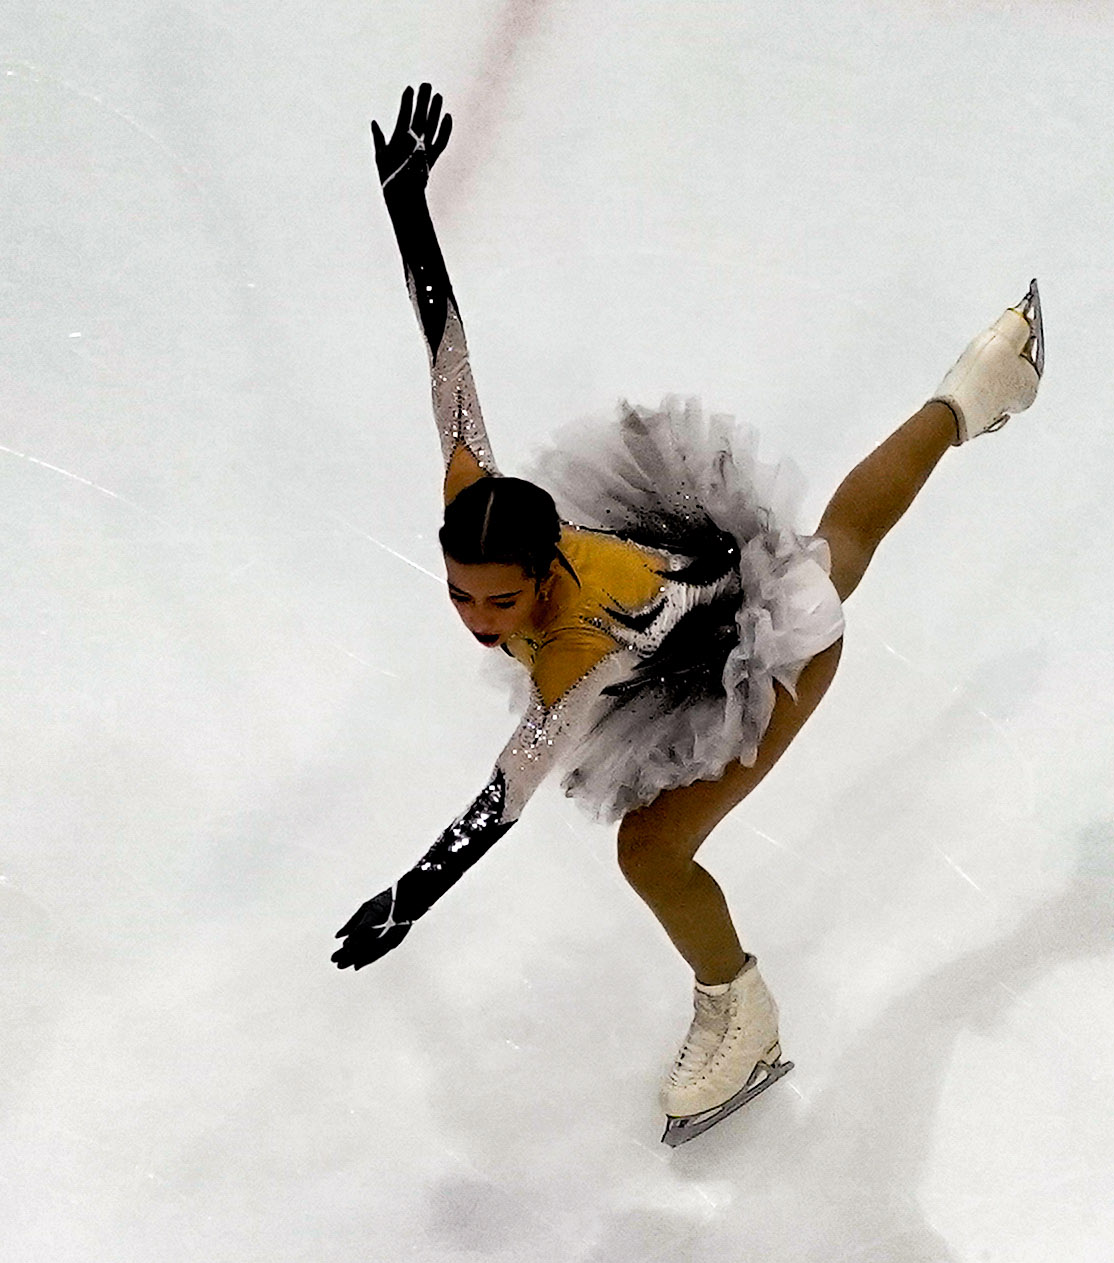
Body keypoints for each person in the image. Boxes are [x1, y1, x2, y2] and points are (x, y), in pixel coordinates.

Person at [332, 83, 1045, 1145]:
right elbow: (448, 353)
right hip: (687, 586)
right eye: (460, 594)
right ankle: (975, 388)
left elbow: (506, 794)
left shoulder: (575, 651)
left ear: (545, 569)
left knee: (651, 851)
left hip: (760, 646)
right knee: (840, 541)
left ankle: (740, 1013)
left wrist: (408, 896)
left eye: (500, 600)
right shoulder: (475, 496)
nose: (479, 619)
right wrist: (408, 208)